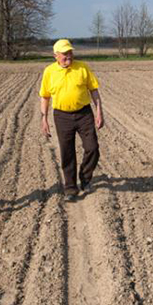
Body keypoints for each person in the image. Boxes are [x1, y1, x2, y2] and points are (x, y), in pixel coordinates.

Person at [40, 39, 104, 199]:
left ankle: (85, 177)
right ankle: (70, 187)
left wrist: (99, 111)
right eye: (65, 53)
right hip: (62, 116)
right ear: (56, 55)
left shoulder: (82, 67)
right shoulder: (49, 72)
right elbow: (45, 97)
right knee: (67, 151)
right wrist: (44, 118)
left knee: (92, 147)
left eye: (70, 52)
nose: (69, 56)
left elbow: (94, 90)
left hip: (84, 113)